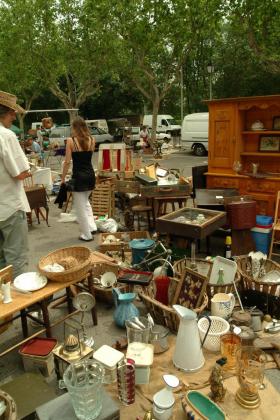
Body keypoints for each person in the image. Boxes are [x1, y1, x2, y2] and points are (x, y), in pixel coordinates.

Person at [0, 90, 31, 278]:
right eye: (12, 113)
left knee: (1, 260)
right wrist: (29, 170)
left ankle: (5, 301)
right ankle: (22, 306)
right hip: (9, 206)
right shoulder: (6, 135)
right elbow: (20, 173)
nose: (14, 116)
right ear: (4, 112)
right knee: (16, 258)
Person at [61, 117, 96, 241]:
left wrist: (63, 177)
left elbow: (67, 162)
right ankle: (92, 227)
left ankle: (87, 235)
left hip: (79, 177)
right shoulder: (92, 139)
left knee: (80, 208)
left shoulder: (71, 141)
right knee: (86, 203)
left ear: (75, 128)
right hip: (91, 176)